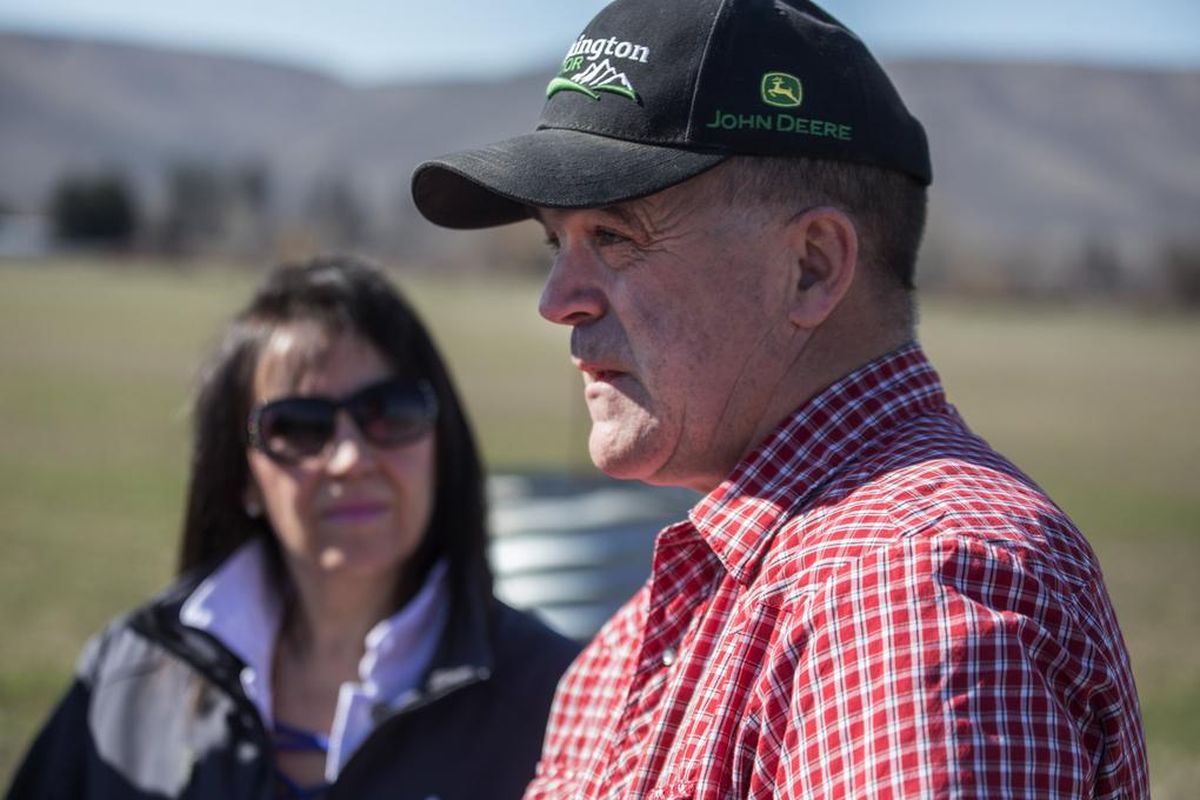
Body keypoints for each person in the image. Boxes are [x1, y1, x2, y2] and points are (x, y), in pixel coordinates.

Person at [409, 0, 1149, 797]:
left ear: (813, 267)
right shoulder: (642, 641)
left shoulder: (899, 598)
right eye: (558, 244)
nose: (559, 300)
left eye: (617, 236)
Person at [8, 256, 579, 800]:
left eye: (390, 411)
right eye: (300, 427)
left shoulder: (561, 697)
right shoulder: (129, 678)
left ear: (441, 441)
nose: (350, 459)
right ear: (243, 478)